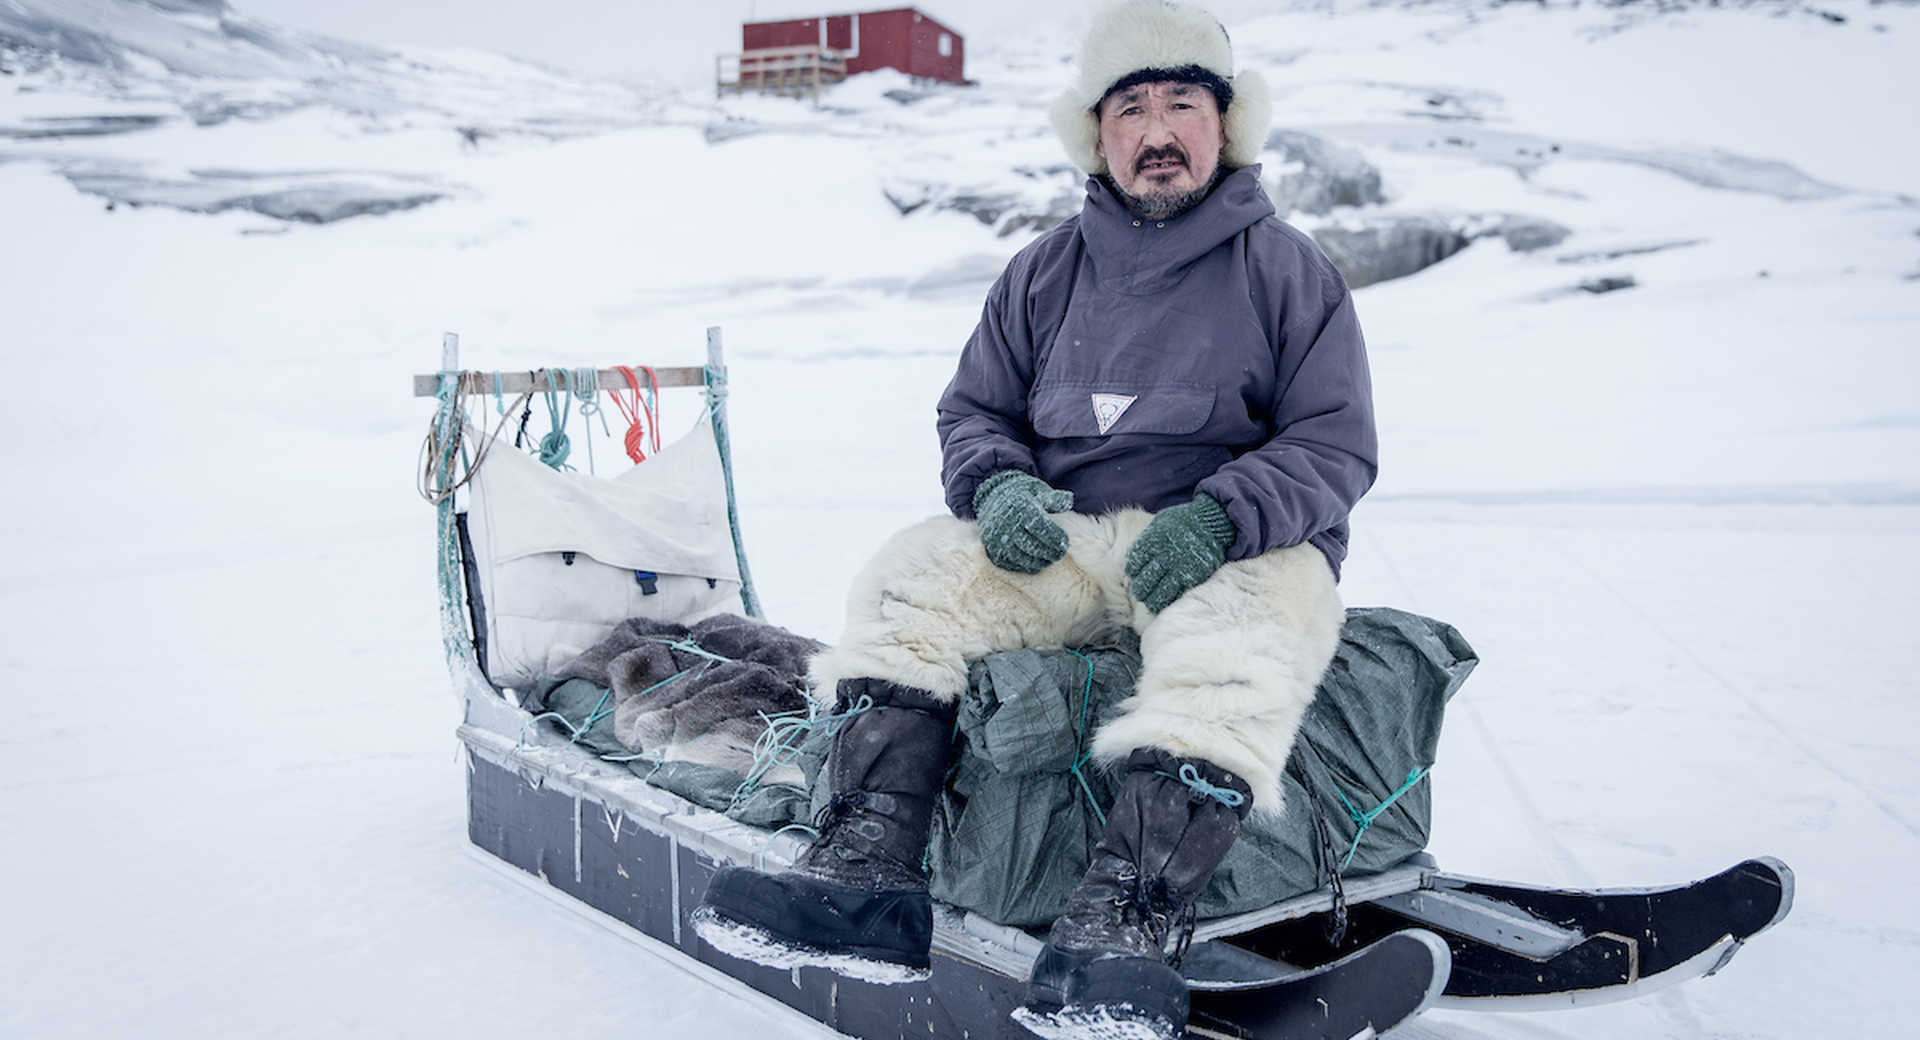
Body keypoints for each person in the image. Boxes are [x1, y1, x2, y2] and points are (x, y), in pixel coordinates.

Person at [694, 2, 1377, 1036]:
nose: (1157, 131)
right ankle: (862, 878)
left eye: (1183, 104)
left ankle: (1121, 928)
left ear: (1225, 125)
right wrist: (1000, 485)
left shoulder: (1290, 271)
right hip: (1072, 543)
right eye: (1131, 107)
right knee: (914, 572)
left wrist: (1225, 514)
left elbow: (1334, 445)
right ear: (1095, 133)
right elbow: (975, 411)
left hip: (1228, 548)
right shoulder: (1042, 271)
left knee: (1251, 632)